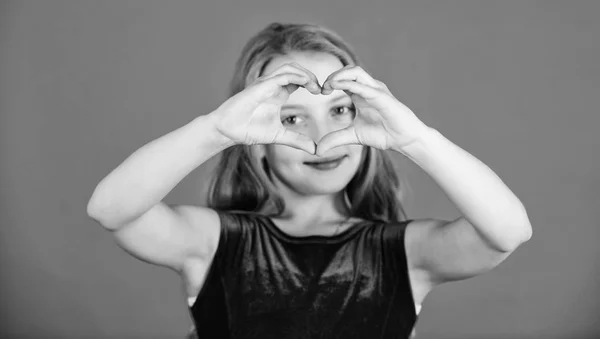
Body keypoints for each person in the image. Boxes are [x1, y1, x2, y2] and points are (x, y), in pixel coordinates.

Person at [87, 22, 532, 339]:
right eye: (292, 118)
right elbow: (110, 209)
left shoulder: (406, 253)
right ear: (256, 139)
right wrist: (216, 130)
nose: (323, 139)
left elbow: (509, 231)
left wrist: (416, 138)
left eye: (339, 111)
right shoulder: (211, 242)